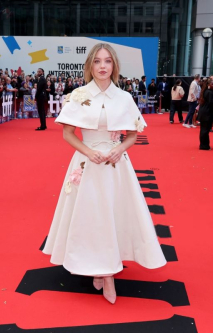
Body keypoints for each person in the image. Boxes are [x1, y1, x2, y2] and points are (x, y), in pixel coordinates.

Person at [42, 43, 166, 304]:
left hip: (115, 165)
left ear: (114, 65)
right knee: (90, 218)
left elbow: (132, 134)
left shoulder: (124, 98)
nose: (102, 66)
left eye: (107, 61)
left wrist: (119, 148)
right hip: (87, 164)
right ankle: (101, 270)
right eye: (97, 61)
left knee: (112, 216)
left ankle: (107, 272)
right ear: (90, 65)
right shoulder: (77, 95)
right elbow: (67, 133)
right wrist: (88, 152)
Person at [198, 78, 213, 150]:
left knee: (204, 130)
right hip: (206, 113)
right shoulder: (208, 92)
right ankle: (204, 145)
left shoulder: (206, 91)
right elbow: (211, 102)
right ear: (208, 84)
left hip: (204, 112)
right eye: (212, 84)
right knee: (205, 130)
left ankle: (204, 145)